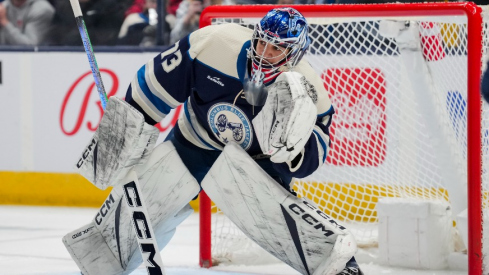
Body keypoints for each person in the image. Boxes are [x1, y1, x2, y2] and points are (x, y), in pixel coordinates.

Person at [63, 7, 364, 275]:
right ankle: (104, 262)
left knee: (275, 218)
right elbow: (154, 84)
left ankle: (336, 266)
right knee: (147, 195)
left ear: (294, 54)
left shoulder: (307, 89)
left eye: (277, 49)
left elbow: (312, 154)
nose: (264, 52)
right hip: (196, 141)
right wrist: (123, 131)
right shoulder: (215, 43)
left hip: (257, 162)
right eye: (262, 42)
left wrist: (295, 150)